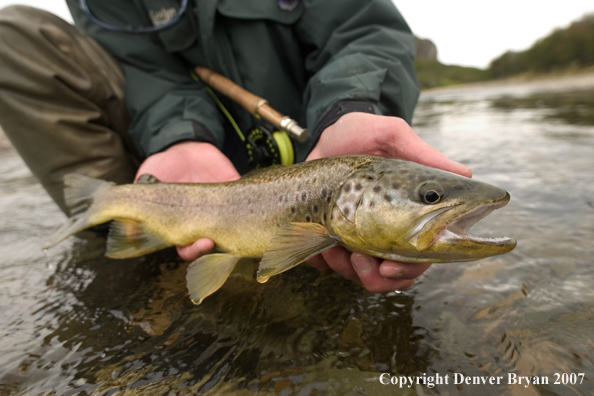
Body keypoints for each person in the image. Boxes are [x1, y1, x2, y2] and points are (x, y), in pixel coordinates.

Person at [0, 0, 471, 294]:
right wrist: (179, 135)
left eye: (429, 197)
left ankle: (149, 226)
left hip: (314, 144)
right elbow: (143, 72)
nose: (434, 200)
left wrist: (350, 109)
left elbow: (362, 27)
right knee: (12, 31)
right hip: (184, 154)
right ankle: (130, 222)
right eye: (430, 198)